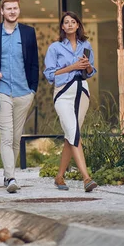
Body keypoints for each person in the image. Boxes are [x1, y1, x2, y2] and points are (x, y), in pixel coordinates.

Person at [0, 0, 39, 193]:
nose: (12, 11)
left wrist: (33, 90)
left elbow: (34, 62)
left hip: (23, 92)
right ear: (2, 11)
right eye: (8, 8)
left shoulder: (29, 33)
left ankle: (7, 175)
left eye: (15, 8)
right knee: (6, 135)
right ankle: (11, 177)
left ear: (18, 10)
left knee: (15, 137)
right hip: (1, 90)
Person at [44, 11, 98, 192]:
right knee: (74, 132)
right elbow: (49, 74)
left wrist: (87, 66)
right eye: (65, 22)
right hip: (63, 94)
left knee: (71, 134)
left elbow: (91, 71)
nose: (69, 25)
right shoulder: (55, 47)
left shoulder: (86, 45)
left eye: (72, 22)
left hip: (82, 92)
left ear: (77, 25)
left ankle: (59, 177)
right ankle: (86, 178)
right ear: (62, 26)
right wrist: (72, 67)